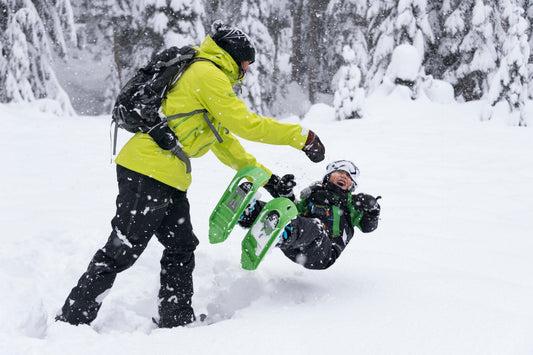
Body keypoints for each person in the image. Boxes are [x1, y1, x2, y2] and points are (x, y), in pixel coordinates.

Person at [56, 21, 325, 328]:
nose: (247, 71)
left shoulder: (209, 79)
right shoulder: (207, 74)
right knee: (123, 249)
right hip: (147, 170)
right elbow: (247, 125)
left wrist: (269, 179)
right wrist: (301, 137)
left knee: (181, 247)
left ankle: (176, 317)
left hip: (168, 176)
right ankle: (71, 321)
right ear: (234, 57)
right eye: (246, 63)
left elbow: (226, 144)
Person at [238, 160, 380, 269]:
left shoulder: (351, 205)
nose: (344, 175)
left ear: (351, 186)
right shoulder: (313, 195)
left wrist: (372, 210)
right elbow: (295, 211)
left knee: (316, 227)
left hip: (323, 253)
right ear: (328, 177)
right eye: (339, 172)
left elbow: (368, 226)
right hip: (294, 246)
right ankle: (247, 212)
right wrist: (286, 194)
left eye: (349, 176)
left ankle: (281, 233)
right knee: (282, 212)